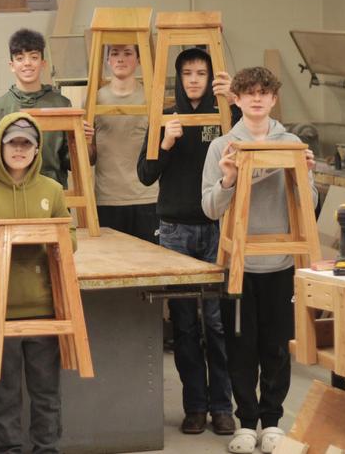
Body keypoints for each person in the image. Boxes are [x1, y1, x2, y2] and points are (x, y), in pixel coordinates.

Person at [201, 67, 317, 454]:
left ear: (273, 99)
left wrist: (305, 176)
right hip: (239, 269)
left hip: (280, 265)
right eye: (248, 92)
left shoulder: (293, 143)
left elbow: (310, 205)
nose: (256, 98)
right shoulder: (222, 146)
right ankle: (245, 423)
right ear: (235, 99)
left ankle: (272, 422)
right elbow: (209, 208)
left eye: (263, 92)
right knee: (240, 347)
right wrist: (229, 180)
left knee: (276, 347)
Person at [0, 112, 76, 454]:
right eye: (13, 143)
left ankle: (46, 448)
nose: (20, 150)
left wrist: (56, 243)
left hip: (43, 307)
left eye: (27, 144)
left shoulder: (52, 190)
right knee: (2, 390)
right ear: (0, 146)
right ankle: (8, 449)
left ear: (37, 149)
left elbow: (69, 236)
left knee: (46, 390)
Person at [137, 48, 236, 436]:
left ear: (212, 77)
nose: (194, 79)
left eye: (201, 72)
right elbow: (145, 175)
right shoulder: (165, 116)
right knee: (183, 324)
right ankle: (194, 406)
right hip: (175, 229)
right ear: (178, 77)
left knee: (217, 322)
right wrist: (165, 143)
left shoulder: (225, 115)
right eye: (188, 73)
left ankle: (222, 407)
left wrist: (235, 103)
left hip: (217, 227)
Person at [0, 28, 89, 189]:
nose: (27, 63)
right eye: (20, 58)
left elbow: (70, 161)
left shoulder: (62, 104)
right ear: (12, 65)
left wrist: (82, 141)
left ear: (43, 63)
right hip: (13, 191)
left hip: (54, 191)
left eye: (34, 57)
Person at [88, 44, 159, 241]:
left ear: (138, 60)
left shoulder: (152, 98)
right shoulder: (94, 100)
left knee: (149, 265)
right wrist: (84, 142)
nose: (121, 59)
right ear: (108, 60)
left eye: (127, 53)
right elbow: (90, 157)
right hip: (108, 199)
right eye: (115, 53)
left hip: (147, 197)